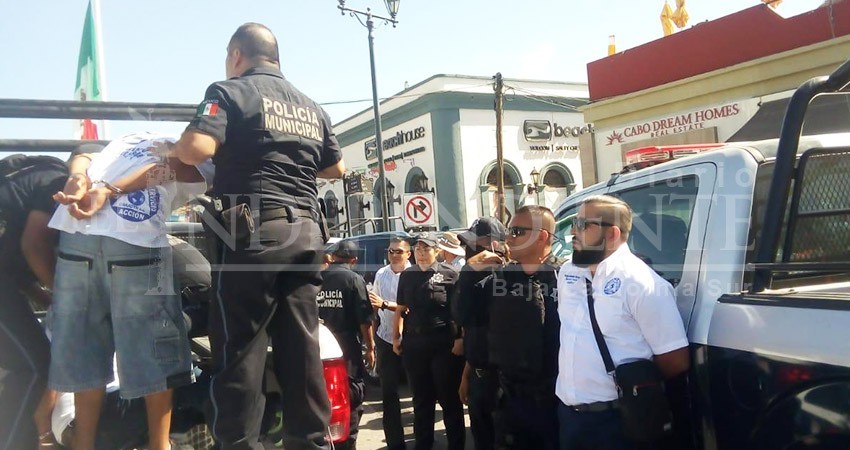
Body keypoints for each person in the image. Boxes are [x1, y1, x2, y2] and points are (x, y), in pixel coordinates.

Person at [170, 23, 345, 450]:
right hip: (306, 237)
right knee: (301, 348)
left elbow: (195, 149)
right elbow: (336, 168)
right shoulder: (310, 106)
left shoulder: (229, 91)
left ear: (236, 55)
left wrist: (174, 150)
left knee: (240, 352)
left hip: (252, 238)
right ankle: (312, 443)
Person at [47, 133, 212, 450]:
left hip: (74, 235)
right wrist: (110, 191)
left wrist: (78, 177)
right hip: (135, 240)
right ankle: (159, 444)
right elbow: (178, 167)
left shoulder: (126, 140)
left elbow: (83, 153)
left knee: (86, 350)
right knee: (155, 349)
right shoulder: (208, 148)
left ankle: (83, 444)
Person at [556, 195, 690, 450]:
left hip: (619, 421)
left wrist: (632, 386)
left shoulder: (643, 283)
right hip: (571, 418)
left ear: (612, 234)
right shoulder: (568, 272)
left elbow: (675, 359)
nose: (573, 231)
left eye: (584, 224)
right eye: (575, 222)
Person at [0, 154, 70, 450]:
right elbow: (34, 244)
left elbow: (12, 263)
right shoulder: (59, 182)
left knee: (27, 363)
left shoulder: (31, 179)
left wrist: (47, 297)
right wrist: (66, 297)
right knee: (35, 365)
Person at [393, 232, 464, 450]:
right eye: (418, 250)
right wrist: (396, 336)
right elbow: (401, 308)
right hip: (415, 344)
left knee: (448, 399)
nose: (422, 254)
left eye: (426, 249)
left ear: (437, 251)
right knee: (421, 402)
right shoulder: (407, 275)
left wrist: (460, 338)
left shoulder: (450, 274)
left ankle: (456, 445)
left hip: (443, 343)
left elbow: (460, 312)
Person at [453, 217, 507, 450]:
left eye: (476, 247)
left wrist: (468, 272)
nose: (470, 252)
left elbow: (463, 313)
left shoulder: (503, 277)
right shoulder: (473, 277)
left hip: (502, 378)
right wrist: (467, 375)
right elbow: (465, 323)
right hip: (479, 374)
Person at [317, 240, 375, 450]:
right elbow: (364, 320)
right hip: (346, 349)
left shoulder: (317, 277)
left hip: (318, 345)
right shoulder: (353, 279)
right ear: (354, 260)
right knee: (350, 398)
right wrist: (370, 347)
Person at [367, 236, 412, 450]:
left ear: (408, 254)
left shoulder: (415, 275)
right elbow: (375, 308)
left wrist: (386, 304)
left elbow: (411, 308)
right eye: (391, 251)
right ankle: (395, 443)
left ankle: (424, 440)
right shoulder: (381, 274)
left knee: (420, 393)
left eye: (399, 252)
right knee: (389, 394)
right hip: (385, 338)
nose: (394, 255)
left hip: (412, 340)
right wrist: (374, 340)